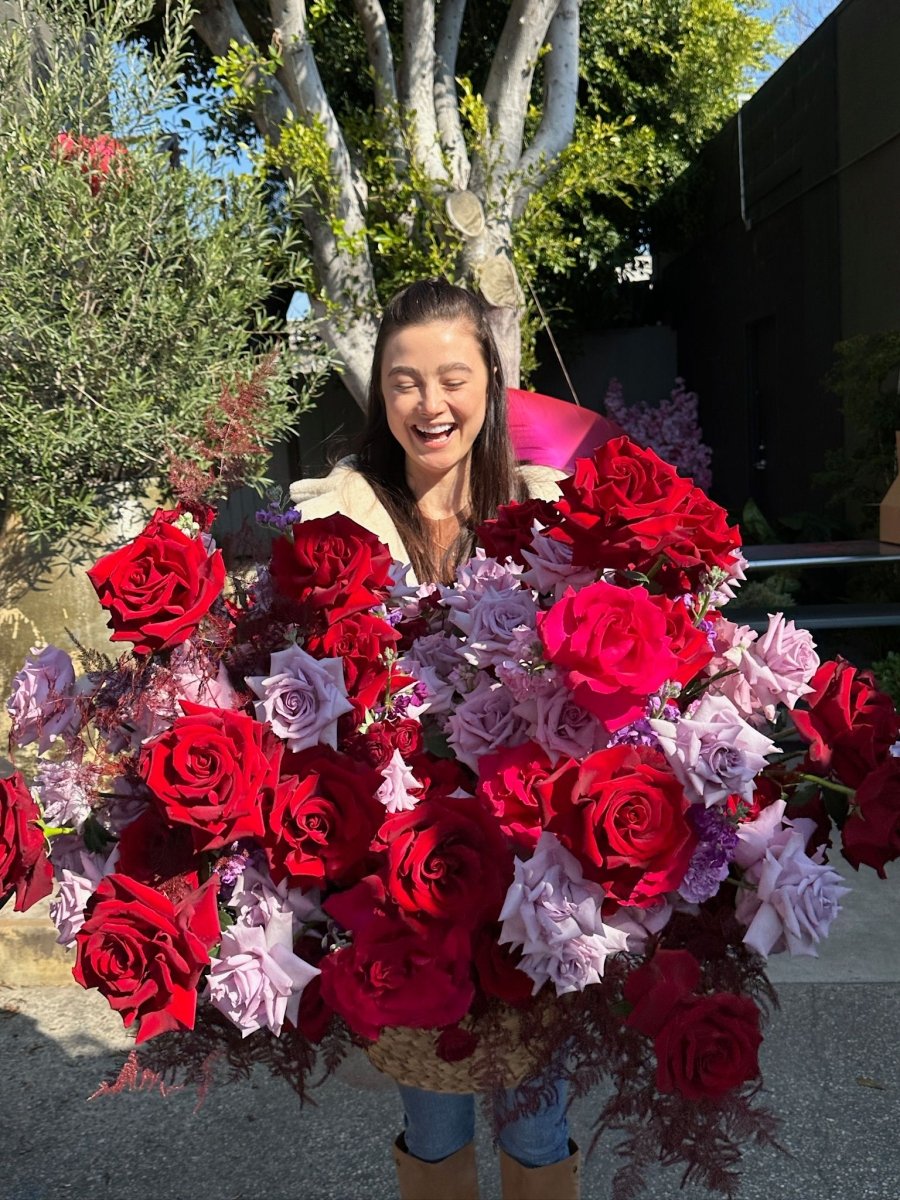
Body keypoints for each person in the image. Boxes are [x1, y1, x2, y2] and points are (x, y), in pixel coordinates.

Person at [290, 279, 580, 1200]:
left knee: (538, 1122)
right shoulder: (335, 517)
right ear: (380, 392)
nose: (430, 404)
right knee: (435, 1114)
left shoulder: (550, 514)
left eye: (452, 376)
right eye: (405, 381)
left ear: (490, 382)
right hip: (403, 884)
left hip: (535, 875)